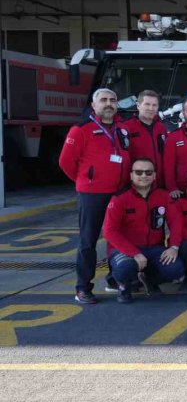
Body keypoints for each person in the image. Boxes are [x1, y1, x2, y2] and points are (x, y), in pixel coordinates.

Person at [59, 88, 131, 304]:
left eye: (112, 100)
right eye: (103, 100)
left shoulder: (122, 129)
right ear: (93, 105)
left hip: (118, 193)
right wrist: (86, 180)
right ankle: (83, 287)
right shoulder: (81, 129)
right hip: (91, 194)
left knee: (117, 239)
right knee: (88, 241)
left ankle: (114, 279)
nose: (108, 103)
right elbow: (65, 162)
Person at [103, 158, 183, 303]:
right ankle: (123, 286)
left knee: (176, 269)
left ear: (154, 176)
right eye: (138, 172)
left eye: (148, 172)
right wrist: (135, 253)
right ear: (131, 175)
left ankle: (150, 280)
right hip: (124, 250)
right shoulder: (120, 199)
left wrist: (174, 247)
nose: (143, 176)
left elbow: (176, 222)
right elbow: (109, 231)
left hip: (153, 248)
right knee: (125, 268)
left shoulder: (163, 196)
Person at [121, 90, 167, 188]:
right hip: (136, 184)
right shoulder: (126, 127)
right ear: (138, 105)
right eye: (147, 104)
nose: (151, 108)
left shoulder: (161, 127)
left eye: (154, 105)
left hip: (159, 183)